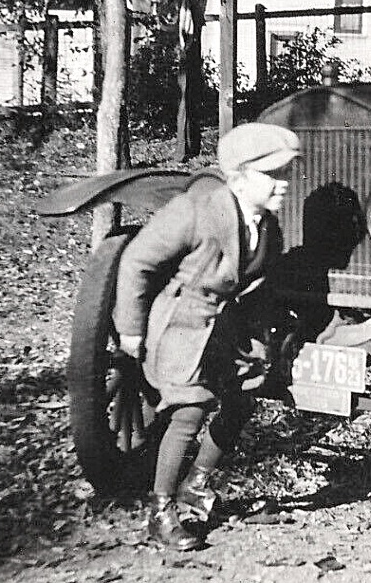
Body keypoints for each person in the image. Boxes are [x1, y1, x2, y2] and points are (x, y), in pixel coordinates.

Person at [112, 122, 301, 550]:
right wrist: (129, 330)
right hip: (182, 324)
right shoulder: (196, 211)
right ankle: (161, 512)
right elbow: (137, 262)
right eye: (272, 175)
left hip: (226, 329)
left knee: (243, 400)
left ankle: (196, 485)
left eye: (286, 173)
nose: (283, 184)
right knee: (190, 411)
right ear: (238, 178)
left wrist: (268, 337)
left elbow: (259, 286)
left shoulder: (268, 226)